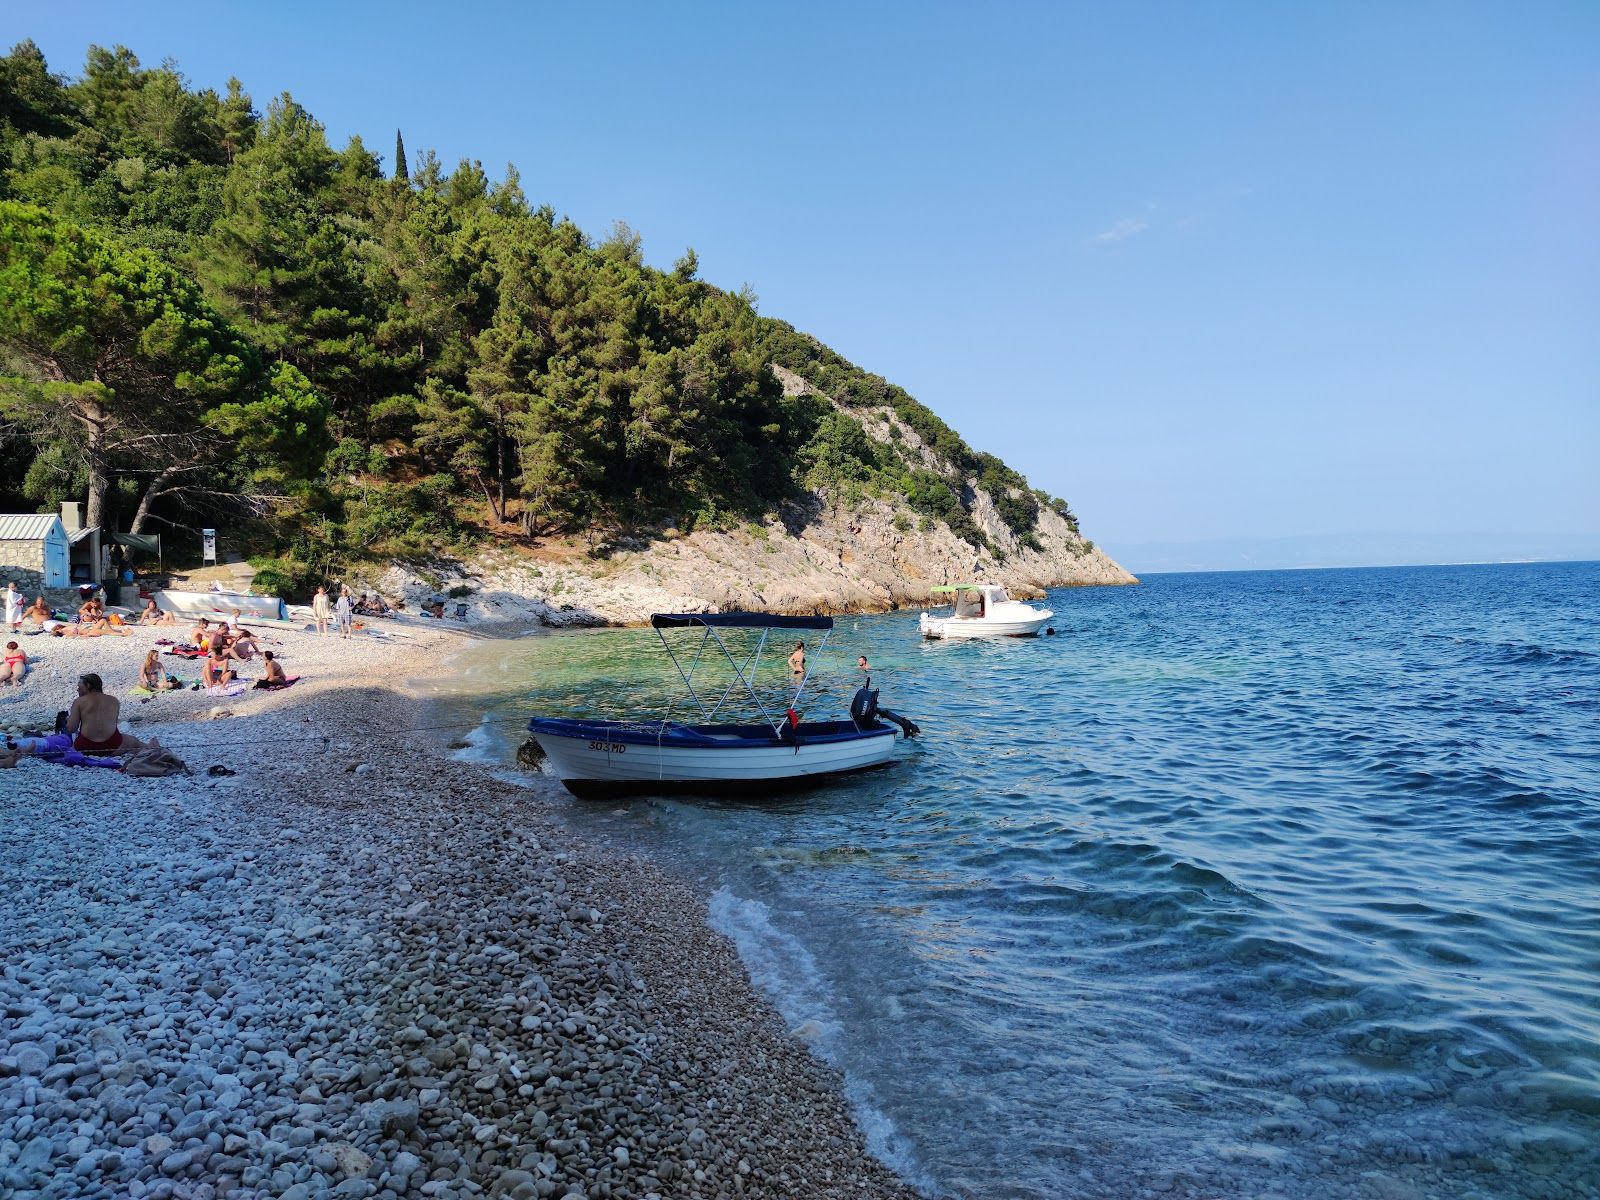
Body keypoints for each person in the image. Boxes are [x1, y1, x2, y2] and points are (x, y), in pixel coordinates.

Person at [65, 673, 142, 754]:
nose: (77, 690)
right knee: (134, 741)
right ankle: (149, 749)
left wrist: (68, 720)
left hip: (85, 746)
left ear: (88, 686)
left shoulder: (79, 702)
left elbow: (72, 728)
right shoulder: (114, 700)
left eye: (79, 687)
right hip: (112, 746)